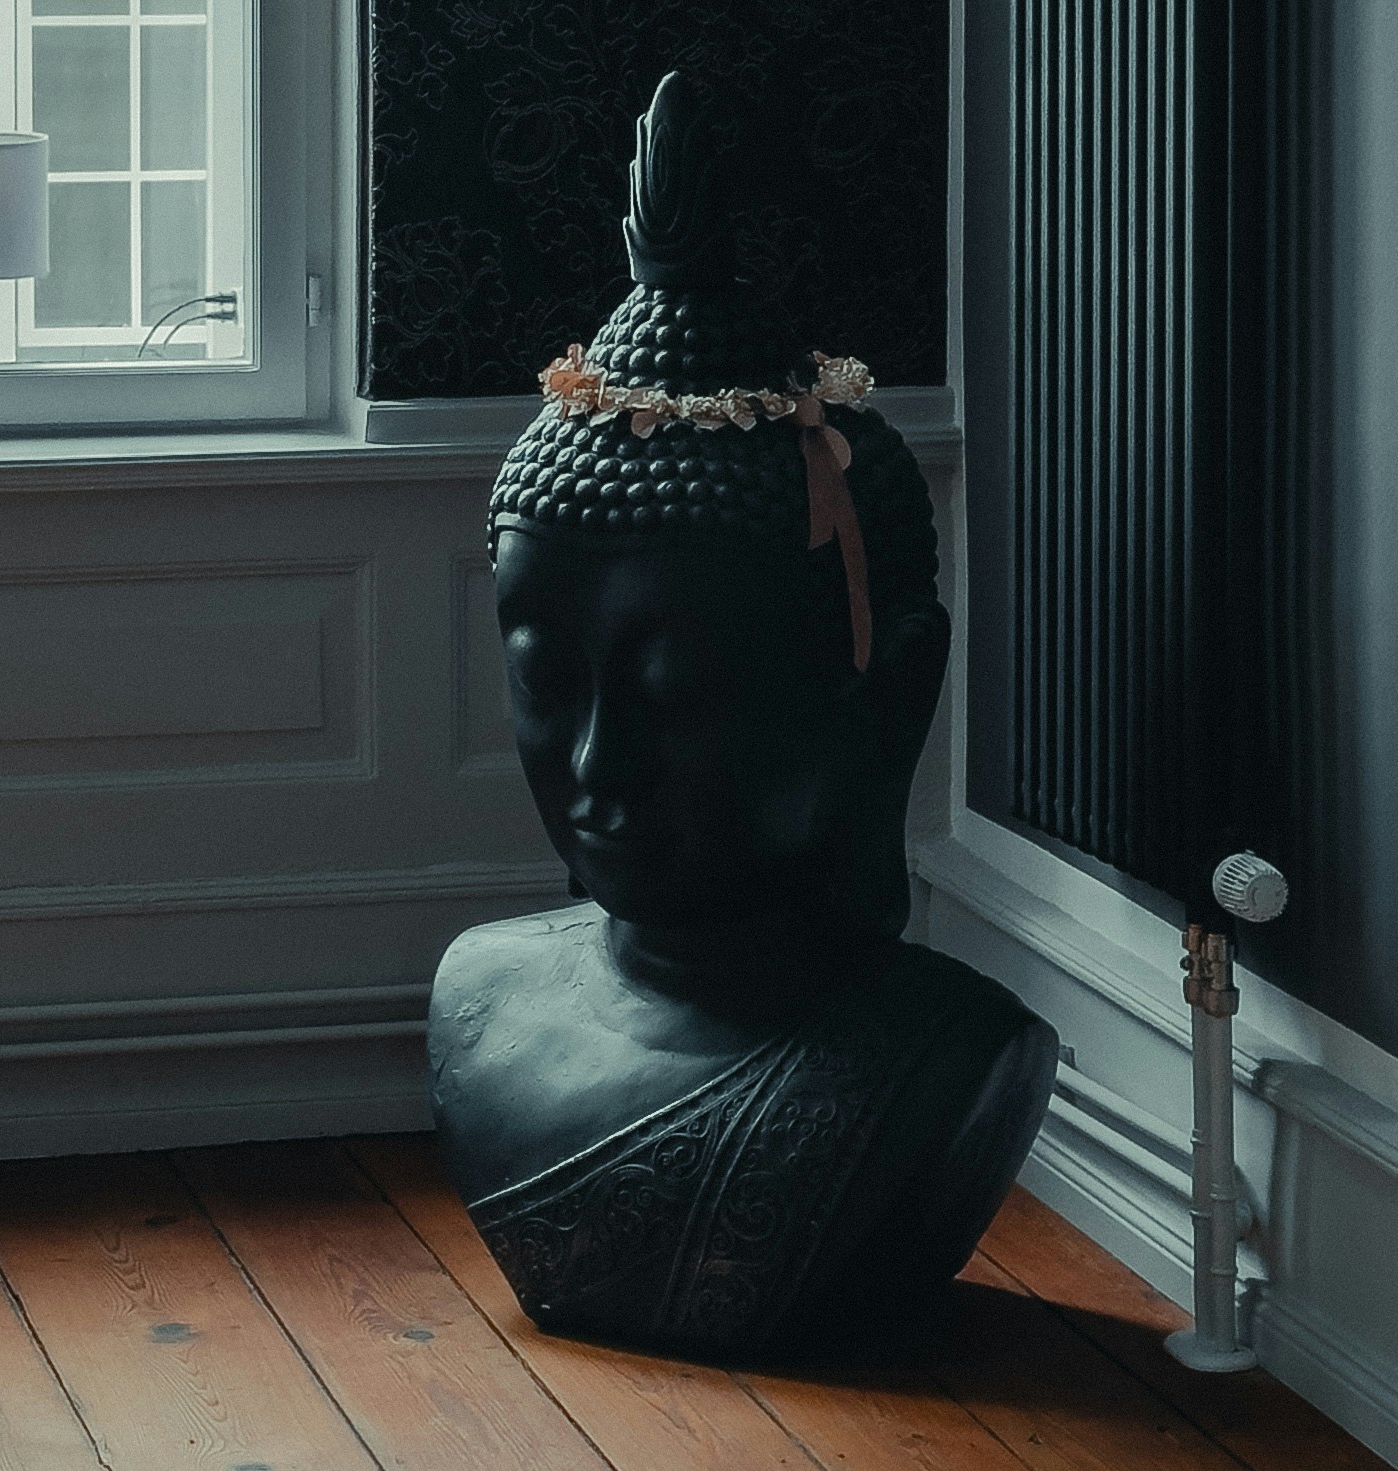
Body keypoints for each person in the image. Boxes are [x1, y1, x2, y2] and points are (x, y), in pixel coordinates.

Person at [429, 72, 1058, 1360]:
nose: (599, 763)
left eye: (684, 691)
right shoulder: (480, 993)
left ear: (885, 697)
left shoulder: (943, 1058)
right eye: (549, 679)